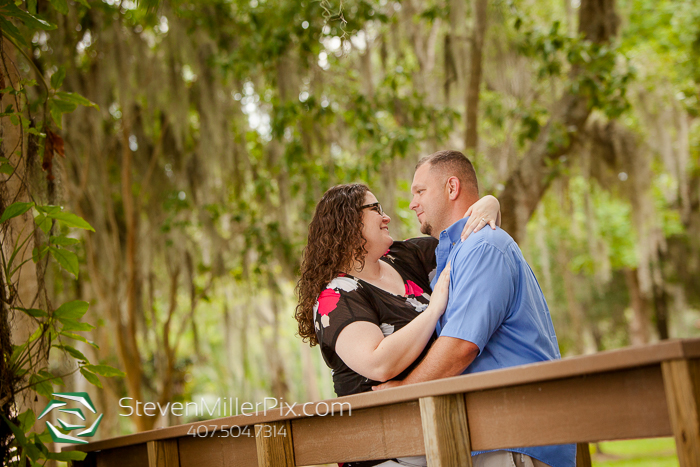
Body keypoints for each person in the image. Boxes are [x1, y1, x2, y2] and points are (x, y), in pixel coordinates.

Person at [374, 150, 576, 467]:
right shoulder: (456, 252)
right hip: (493, 437)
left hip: (516, 440)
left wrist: (401, 393)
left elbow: (459, 347)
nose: (413, 203)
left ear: (452, 188)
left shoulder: (483, 247)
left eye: (420, 191)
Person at [295, 183, 500, 467]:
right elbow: (378, 363)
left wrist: (490, 204)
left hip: (440, 432)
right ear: (348, 221)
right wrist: (434, 310)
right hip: (382, 451)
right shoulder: (335, 296)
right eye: (375, 209)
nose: (386, 216)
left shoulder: (408, 257)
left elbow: (473, 245)